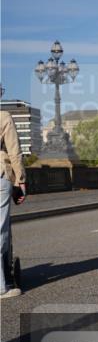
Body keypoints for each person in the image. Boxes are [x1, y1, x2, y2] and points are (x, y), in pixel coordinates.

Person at [1, 96, 27, 298]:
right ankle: (2, 286)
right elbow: (14, 151)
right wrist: (21, 180)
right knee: (1, 229)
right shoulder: (3, 117)